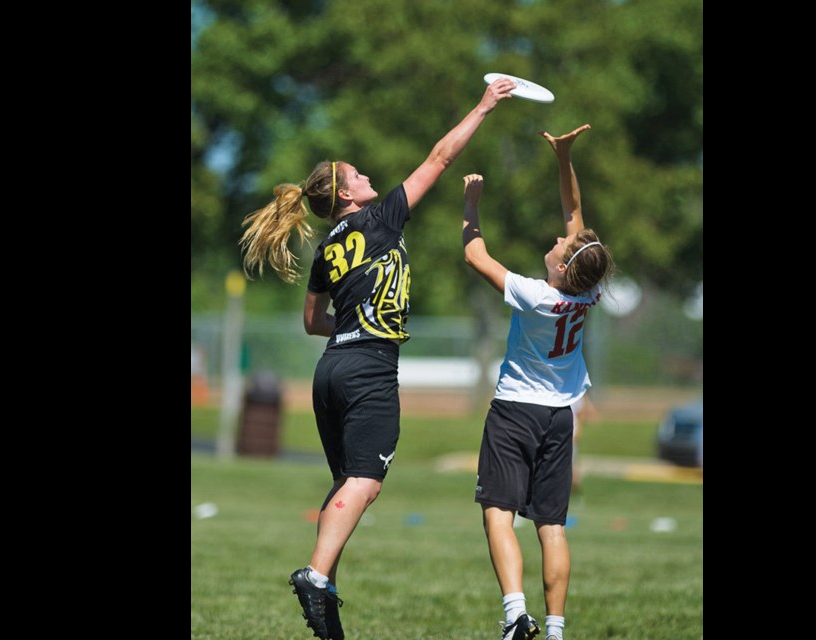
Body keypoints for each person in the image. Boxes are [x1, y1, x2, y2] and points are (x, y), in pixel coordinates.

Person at [238, 77, 516, 640]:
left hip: (331, 369)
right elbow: (439, 157)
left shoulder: (327, 247)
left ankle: (327, 610)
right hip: (368, 369)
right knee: (365, 481)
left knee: (345, 484)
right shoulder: (381, 216)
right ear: (345, 194)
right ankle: (316, 576)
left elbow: (313, 322)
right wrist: (484, 107)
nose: (368, 177)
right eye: (358, 174)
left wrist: (356, 319)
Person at [461, 124, 614, 640]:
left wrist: (471, 208)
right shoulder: (584, 292)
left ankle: (513, 617)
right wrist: (564, 157)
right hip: (559, 415)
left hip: (515, 412)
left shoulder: (535, 295)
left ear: (563, 265)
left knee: (498, 512)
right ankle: (554, 631)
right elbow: (574, 216)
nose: (556, 240)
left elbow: (475, 257)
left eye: (559, 246)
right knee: (551, 525)